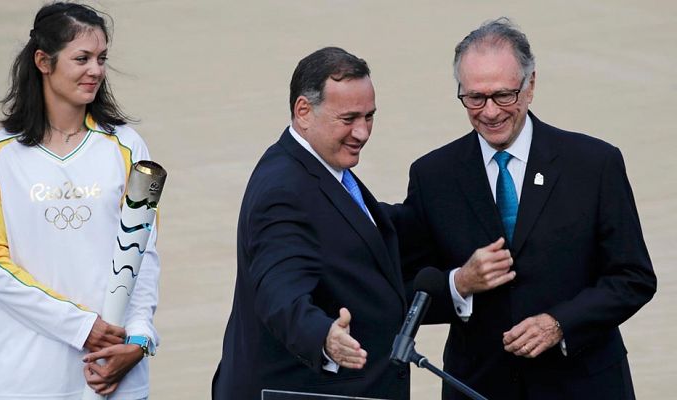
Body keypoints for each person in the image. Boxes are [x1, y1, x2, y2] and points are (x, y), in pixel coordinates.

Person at [387, 18, 657, 399]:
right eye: (475, 98)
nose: (490, 112)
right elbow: (403, 293)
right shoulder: (434, 175)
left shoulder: (594, 164)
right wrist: (460, 283)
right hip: (479, 386)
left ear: (530, 86)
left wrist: (559, 323)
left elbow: (633, 278)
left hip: (583, 385)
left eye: (503, 95)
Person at [0, 3, 160, 399]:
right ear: (43, 61)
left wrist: (138, 340)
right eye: (82, 58)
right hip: (27, 376)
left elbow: (144, 252)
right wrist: (79, 325)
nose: (96, 70)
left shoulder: (125, 146)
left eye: (101, 59)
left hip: (111, 374)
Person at [212, 47, 410, 399]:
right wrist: (323, 337)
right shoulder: (283, 189)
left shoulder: (322, 169)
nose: (362, 132)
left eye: (369, 116)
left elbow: (355, 229)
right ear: (303, 111)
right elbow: (278, 290)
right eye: (349, 119)